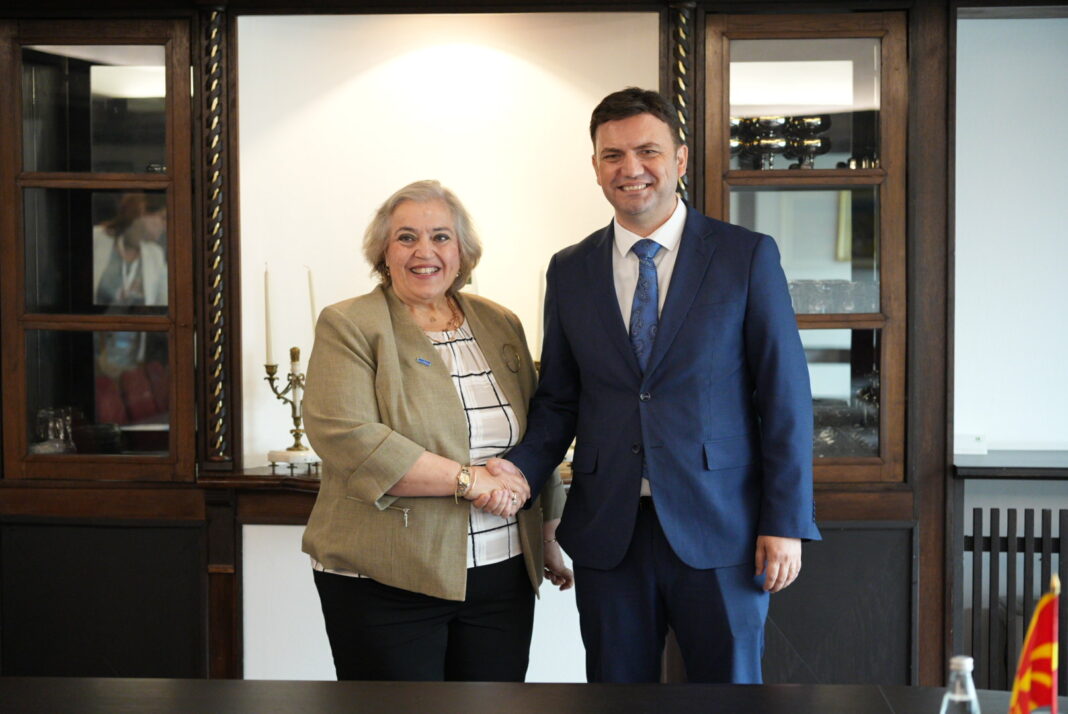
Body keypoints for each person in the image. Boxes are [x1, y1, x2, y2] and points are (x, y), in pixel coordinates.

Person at [489, 88, 821, 684]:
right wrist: (517, 473)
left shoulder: (744, 256)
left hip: (723, 529)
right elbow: (560, 399)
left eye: (648, 151)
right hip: (609, 530)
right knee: (617, 698)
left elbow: (785, 399)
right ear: (596, 167)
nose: (631, 168)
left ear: (680, 158)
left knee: (728, 697)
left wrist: (786, 521)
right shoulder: (570, 269)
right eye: (613, 155)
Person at [301, 179, 573, 683]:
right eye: (406, 237)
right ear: (383, 252)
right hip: (387, 577)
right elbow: (349, 436)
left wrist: (548, 532)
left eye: (441, 237)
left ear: (462, 251)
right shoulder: (349, 324)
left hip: (502, 573)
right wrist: (470, 480)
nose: (424, 251)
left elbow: (534, 434)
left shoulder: (500, 322)